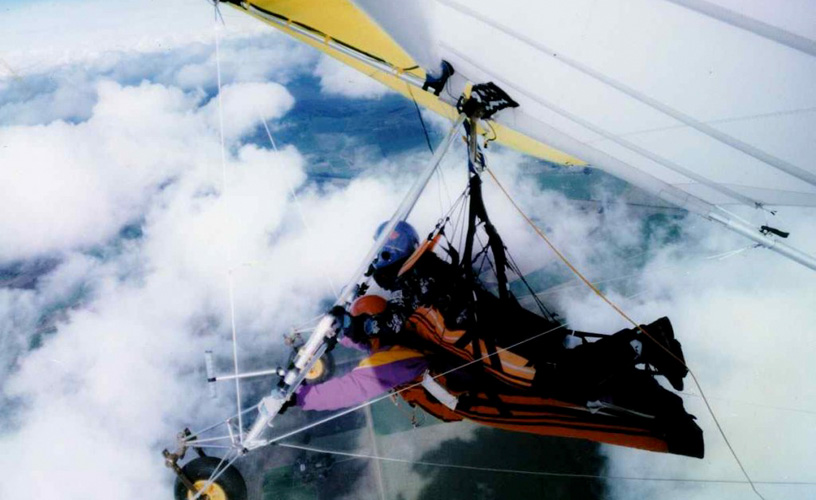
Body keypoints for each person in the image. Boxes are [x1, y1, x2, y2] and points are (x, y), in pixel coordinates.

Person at [294, 221, 690, 413]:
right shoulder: (422, 277)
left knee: (565, 382)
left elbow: (366, 373)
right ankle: (652, 346)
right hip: (509, 330)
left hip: (496, 349)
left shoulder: (416, 301)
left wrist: (302, 397)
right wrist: (350, 330)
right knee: (573, 364)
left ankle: (643, 342)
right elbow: (391, 322)